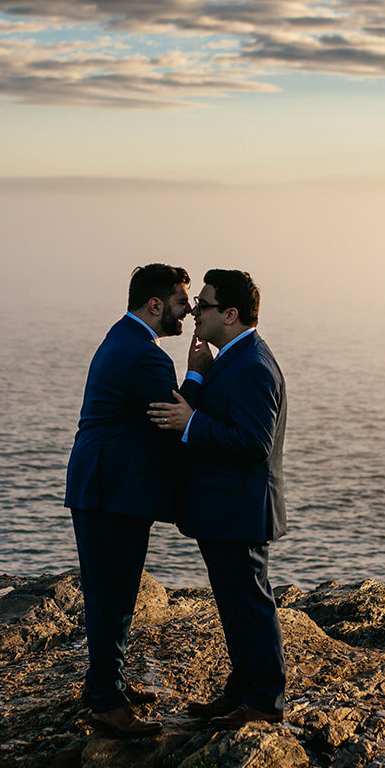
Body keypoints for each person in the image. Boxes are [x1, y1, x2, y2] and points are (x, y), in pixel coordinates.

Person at [148, 268, 287, 729]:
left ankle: (265, 703)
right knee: (233, 603)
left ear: (230, 315)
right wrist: (199, 380)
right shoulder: (232, 358)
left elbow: (254, 442)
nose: (193, 313)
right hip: (225, 510)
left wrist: (191, 421)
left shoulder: (252, 365)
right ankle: (241, 691)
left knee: (251, 604)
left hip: (241, 510)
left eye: (203, 306)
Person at [65, 263, 193, 737]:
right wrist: (197, 374)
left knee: (110, 591)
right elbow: (174, 415)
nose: (190, 310)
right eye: (183, 301)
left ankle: (105, 683)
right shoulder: (145, 355)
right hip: (111, 491)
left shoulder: (123, 337)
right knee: (113, 596)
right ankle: (108, 703)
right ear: (154, 305)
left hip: (103, 485)